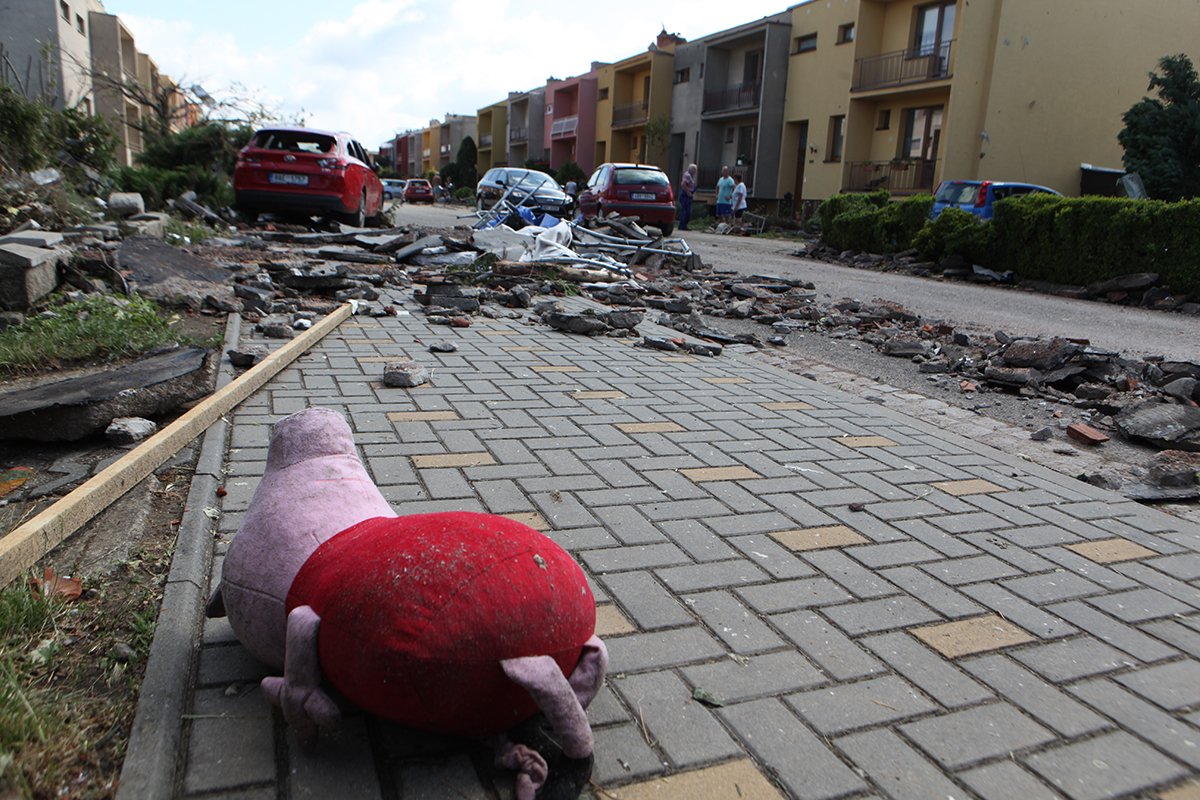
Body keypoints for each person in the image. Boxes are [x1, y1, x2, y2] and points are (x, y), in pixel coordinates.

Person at [677, 163, 697, 231]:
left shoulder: (691, 176)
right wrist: (688, 192)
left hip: (688, 194)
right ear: (691, 169)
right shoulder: (687, 175)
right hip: (685, 195)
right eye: (694, 170)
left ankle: (683, 225)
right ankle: (682, 226)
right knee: (685, 210)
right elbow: (683, 184)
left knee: (687, 211)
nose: (695, 172)